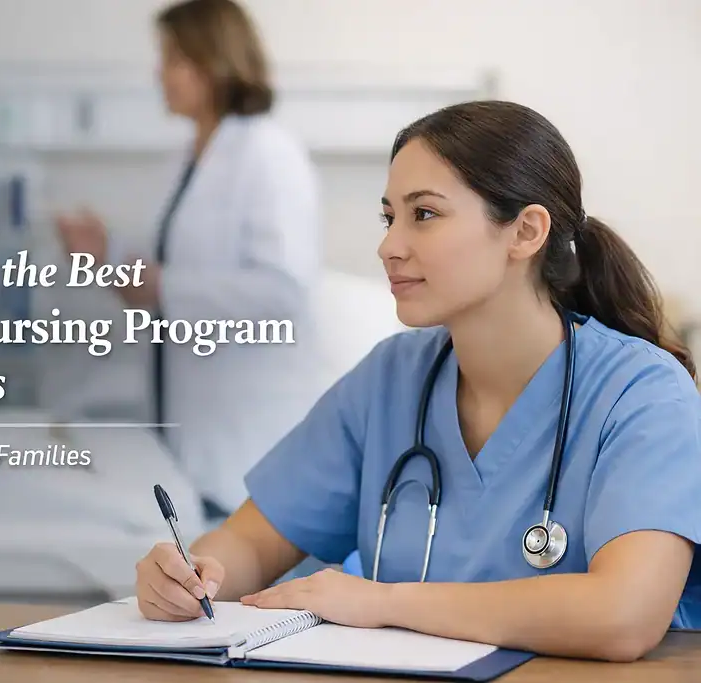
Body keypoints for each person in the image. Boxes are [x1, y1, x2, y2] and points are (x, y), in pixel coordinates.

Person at [133, 100, 701, 663]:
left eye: (423, 214)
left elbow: (624, 615)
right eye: (389, 218)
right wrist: (192, 575)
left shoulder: (642, 394)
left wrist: (384, 602)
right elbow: (251, 543)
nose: (389, 246)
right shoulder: (390, 379)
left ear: (525, 232)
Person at [56, 0, 323, 522]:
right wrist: (105, 255)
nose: (160, 72)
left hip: (244, 437)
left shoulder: (269, 155)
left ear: (216, 62)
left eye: (174, 58)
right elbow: (163, 277)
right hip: (182, 432)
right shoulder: (184, 161)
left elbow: (283, 293)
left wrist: (163, 287)